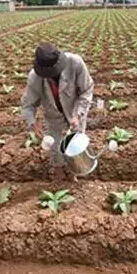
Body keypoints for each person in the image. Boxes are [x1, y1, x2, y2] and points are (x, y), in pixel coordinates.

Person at [21, 42, 95, 177]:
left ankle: (75, 174)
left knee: (75, 147)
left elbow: (87, 89)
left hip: (75, 112)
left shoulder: (75, 63)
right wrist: (32, 124)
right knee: (56, 150)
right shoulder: (35, 77)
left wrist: (78, 115)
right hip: (53, 118)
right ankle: (59, 175)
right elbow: (28, 105)